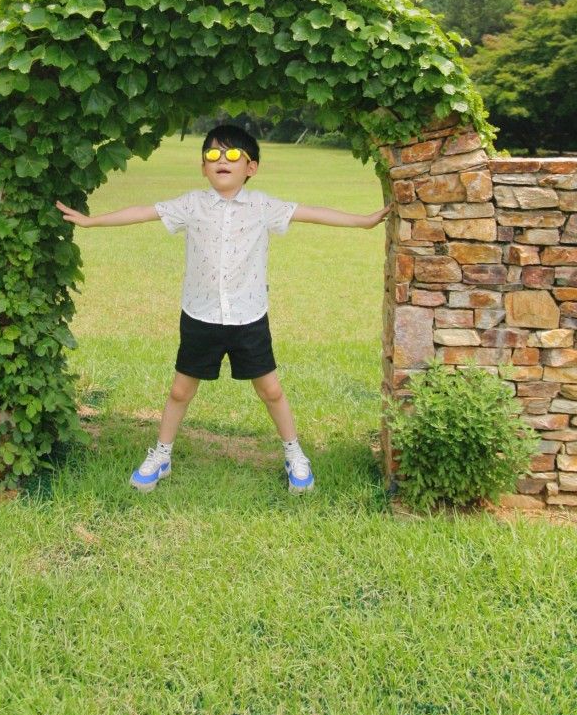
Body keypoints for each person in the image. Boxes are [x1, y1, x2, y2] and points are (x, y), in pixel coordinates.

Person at [55, 124, 390, 495]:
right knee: (181, 391)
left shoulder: (263, 206)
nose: (221, 161)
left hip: (248, 317)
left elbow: (311, 212)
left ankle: (295, 454)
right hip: (200, 316)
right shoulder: (191, 204)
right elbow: (143, 211)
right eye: (212, 155)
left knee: (271, 391)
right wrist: (91, 221)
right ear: (203, 167)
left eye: (232, 155)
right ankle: (161, 455)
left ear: (251, 167)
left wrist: (362, 222)